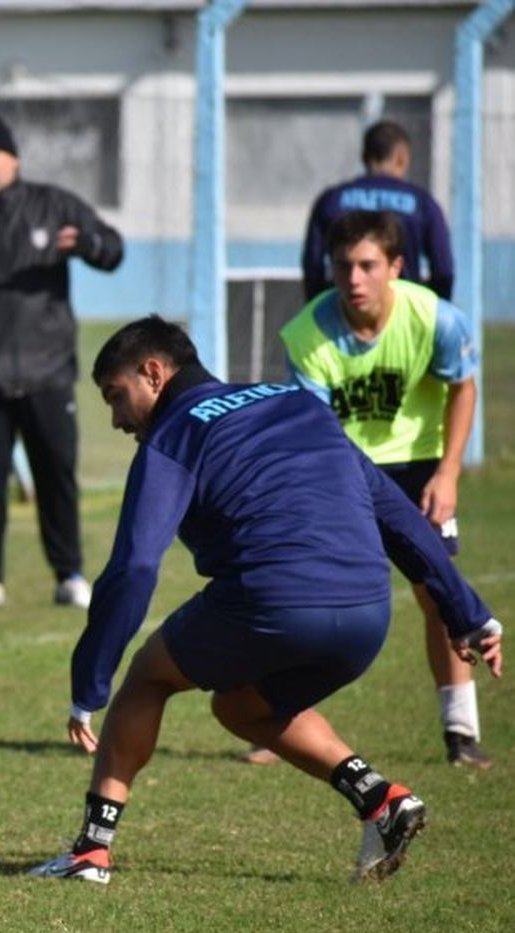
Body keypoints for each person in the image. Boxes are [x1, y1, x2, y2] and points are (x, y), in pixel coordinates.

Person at [26, 316, 501, 887]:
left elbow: (135, 565)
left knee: (149, 676)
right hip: (368, 611)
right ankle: (381, 800)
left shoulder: (174, 432)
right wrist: (467, 613)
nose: (117, 418)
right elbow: (396, 513)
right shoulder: (296, 403)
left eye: (116, 396)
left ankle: (90, 852)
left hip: (272, 600)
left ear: (153, 374)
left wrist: (89, 683)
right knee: (242, 708)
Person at [279, 209, 490, 768]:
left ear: (396, 266)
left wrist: (448, 474)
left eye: (368, 265)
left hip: (419, 469)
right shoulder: (306, 335)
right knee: (300, 593)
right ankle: (272, 719)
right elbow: (316, 430)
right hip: (342, 469)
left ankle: (461, 735)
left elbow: (462, 390)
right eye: (343, 265)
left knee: (439, 594)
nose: (354, 279)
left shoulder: (436, 319)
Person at [0, 110, 123, 611]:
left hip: (48, 370)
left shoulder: (52, 206)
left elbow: (114, 249)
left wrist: (89, 245)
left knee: (57, 476)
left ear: (13, 158)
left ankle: (70, 574)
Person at [301, 119, 452, 301]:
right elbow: (443, 269)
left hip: (345, 312)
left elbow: (313, 264)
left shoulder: (332, 200)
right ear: (401, 158)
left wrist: (321, 308)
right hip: (403, 314)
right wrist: (431, 312)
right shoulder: (421, 203)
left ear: (364, 157)